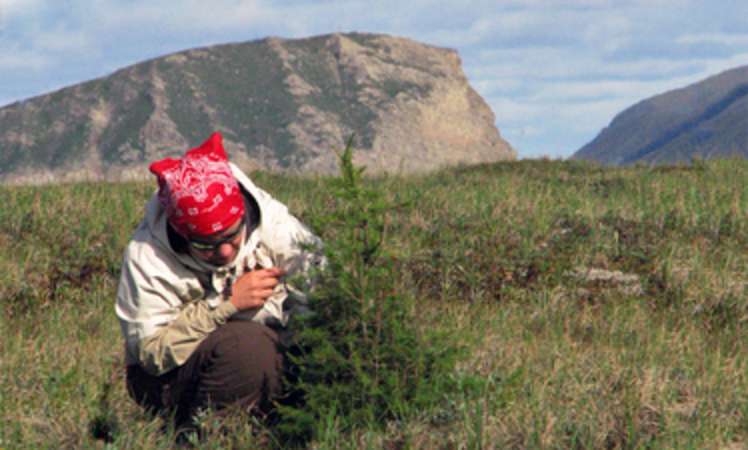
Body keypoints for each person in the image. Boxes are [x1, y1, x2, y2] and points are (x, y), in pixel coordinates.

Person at [115, 131, 323, 428]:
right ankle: (210, 434)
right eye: (206, 245)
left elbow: (323, 286)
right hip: (169, 378)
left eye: (232, 236)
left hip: (278, 349)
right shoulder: (147, 257)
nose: (224, 251)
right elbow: (151, 353)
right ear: (183, 236)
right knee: (247, 347)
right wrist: (227, 304)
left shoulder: (274, 224)